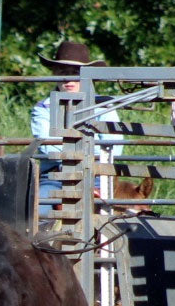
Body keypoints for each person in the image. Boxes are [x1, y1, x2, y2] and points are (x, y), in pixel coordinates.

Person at [30, 41, 122, 216]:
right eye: (63, 72)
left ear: (87, 76)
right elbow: (48, 146)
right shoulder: (43, 108)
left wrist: (74, 153)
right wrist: (90, 150)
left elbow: (114, 147)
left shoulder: (105, 106)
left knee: (122, 213)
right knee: (38, 214)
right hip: (55, 178)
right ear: (54, 74)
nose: (69, 79)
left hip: (97, 178)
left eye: (76, 73)